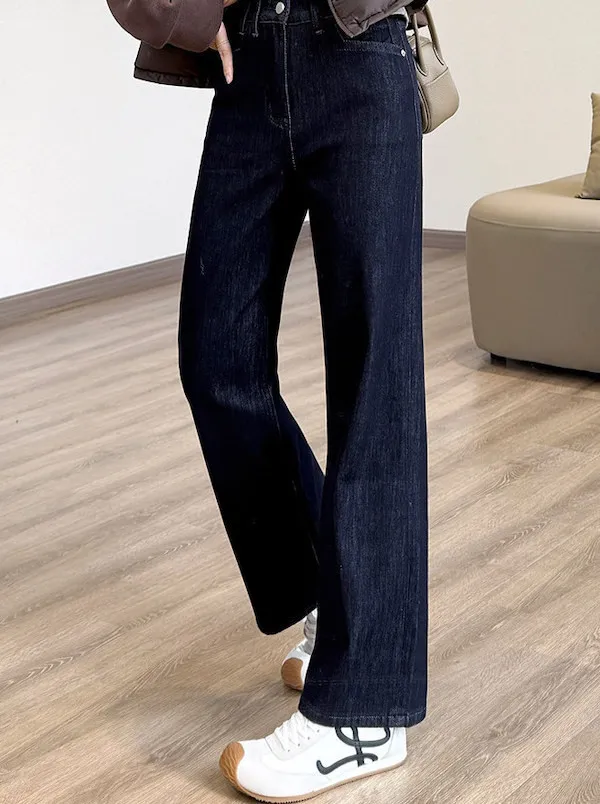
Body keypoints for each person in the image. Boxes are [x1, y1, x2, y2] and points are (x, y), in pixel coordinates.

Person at [108, 0, 429, 799]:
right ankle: (333, 594)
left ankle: (364, 710)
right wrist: (185, 16)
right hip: (248, 62)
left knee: (373, 380)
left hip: (359, 50)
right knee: (216, 359)